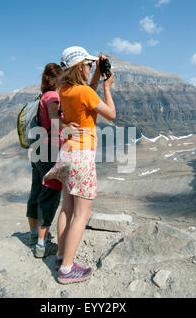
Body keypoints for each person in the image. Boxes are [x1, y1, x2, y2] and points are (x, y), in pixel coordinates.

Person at [43, 47, 116, 284]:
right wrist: (106, 86)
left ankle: (61, 255)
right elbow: (111, 114)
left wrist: (94, 77)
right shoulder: (85, 91)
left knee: (67, 208)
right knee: (82, 215)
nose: (90, 67)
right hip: (82, 156)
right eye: (88, 64)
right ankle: (67, 268)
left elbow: (85, 95)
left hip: (67, 153)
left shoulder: (65, 90)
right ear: (81, 67)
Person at [26, 62, 83, 258]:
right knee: (49, 195)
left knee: (36, 191)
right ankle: (42, 246)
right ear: (59, 78)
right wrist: (68, 128)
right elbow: (52, 116)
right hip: (50, 150)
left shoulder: (42, 96)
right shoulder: (53, 96)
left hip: (38, 149)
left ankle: (34, 236)